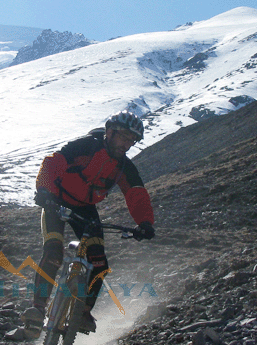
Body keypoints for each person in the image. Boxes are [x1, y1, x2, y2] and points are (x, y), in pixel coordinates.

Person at [21, 110, 156, 337]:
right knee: (54, 251)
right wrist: (44, 191)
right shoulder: (85, 146)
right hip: (56, 200)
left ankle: (82, 313)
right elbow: (54, 163)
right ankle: (37, 309)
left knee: (99, 263)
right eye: (124, 137)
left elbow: (136, 194)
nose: (127, 144)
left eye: (131, 140)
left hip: (85, 208)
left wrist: (145, 223)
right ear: (110, 132)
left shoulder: (124, 167)